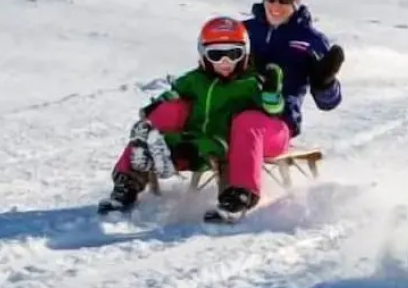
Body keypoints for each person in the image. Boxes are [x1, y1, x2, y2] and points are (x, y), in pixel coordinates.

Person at [99, 16, 284, 214]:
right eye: (216, 55)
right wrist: (156, 107)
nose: (225, 62)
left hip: (236, 144)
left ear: (245, 53)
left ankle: (240, 194)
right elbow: (173, 93)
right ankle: (131, 176)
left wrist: (271, 91)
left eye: (233, 53)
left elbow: (273, 110)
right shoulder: (195, 80)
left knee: (243, 125)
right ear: (203, 54)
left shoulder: (251, 82)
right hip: (200, 142)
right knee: (169, 114)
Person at [233, 0, 344, 213]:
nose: (275, 5)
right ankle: (134, 180)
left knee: (248, 123)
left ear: (296, 2)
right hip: (233, 109)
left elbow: (329, 103)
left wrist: (324, 82)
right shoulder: (244, 30)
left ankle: (242, 195)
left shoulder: (310, 40)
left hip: (279, 122)